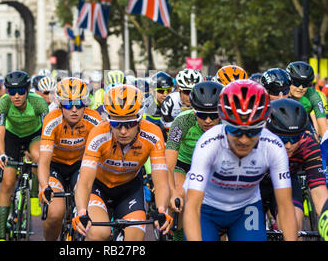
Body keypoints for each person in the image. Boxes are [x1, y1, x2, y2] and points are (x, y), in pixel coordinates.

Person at [183, 79, 298, 241]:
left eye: (252, 131)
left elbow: (286, 207)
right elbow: (192, 207)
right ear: (224, 122)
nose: (243, 140)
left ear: (264, 125)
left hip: (246, 209)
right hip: (205, 208)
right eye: (236, 130)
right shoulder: (209, 142)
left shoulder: (273, 146)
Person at [73, 85, 173, 241]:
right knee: (99, 233)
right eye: (116, 124)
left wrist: (161, 210)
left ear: (140, 118)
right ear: (108, 120)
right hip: (98, 187)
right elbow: (85, 182)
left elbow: (161, 183)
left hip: (129, 189)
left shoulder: (153, 134)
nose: (123, 131)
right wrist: (81, 212)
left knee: (134, 240)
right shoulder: (98, 134)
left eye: (130, 123)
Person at [38, 77, 102, 241]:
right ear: (60, 105)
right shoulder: (51, 120)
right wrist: (44, 185)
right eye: (68, 105)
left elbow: (102, 155)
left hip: (80, 166)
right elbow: (44, 160)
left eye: (79, 104)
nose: (74, 109)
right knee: (54, 214)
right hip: (56, 167)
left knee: (87, 212)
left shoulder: (94, 119)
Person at [165, 81, 224, 241]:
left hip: (213, 166)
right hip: (183, 165)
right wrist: (172, 193)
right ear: (193, 111)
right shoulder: (182, 121)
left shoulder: (228, 123)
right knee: (180, 196)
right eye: (201, 115)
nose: (208, 121)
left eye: (213, 115)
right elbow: (169, 165)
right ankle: (178, 233)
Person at [0, 70, 49, 241]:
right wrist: (2, 155)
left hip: (34, 135)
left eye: (20, 92)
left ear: (27, 90)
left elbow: (48, 133)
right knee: (8, 183)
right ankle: (2, 236)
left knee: (38, 156)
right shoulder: (3, 103)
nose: (16, 96)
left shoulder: (39, 103)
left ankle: (33, 195)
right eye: (11, 91)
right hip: (12, 137)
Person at [261, 98, 328, 237]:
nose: (289, 145)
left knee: (295, 228)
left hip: (287, 182)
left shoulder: (308, 144)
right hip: (255, 186)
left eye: (294, 138)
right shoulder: (257, 141)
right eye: (283, 139)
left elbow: (319, 192)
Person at [286, 61, 327, 138]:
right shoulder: (281, 91)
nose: (301, 88)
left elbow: (323, 126)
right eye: (296, 83)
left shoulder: (313, 94)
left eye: (305, 84)